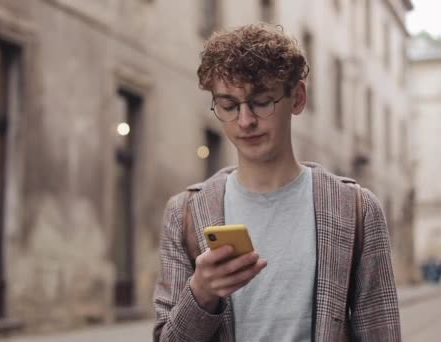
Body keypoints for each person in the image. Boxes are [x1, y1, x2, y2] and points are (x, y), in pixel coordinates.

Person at [153, 24, 401, 341]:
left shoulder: (356, 209)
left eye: (261, 101)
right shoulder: (184, 213)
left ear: (297, 98)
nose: (245, 121)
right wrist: (201, 293)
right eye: (228, 106)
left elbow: (382, 332)